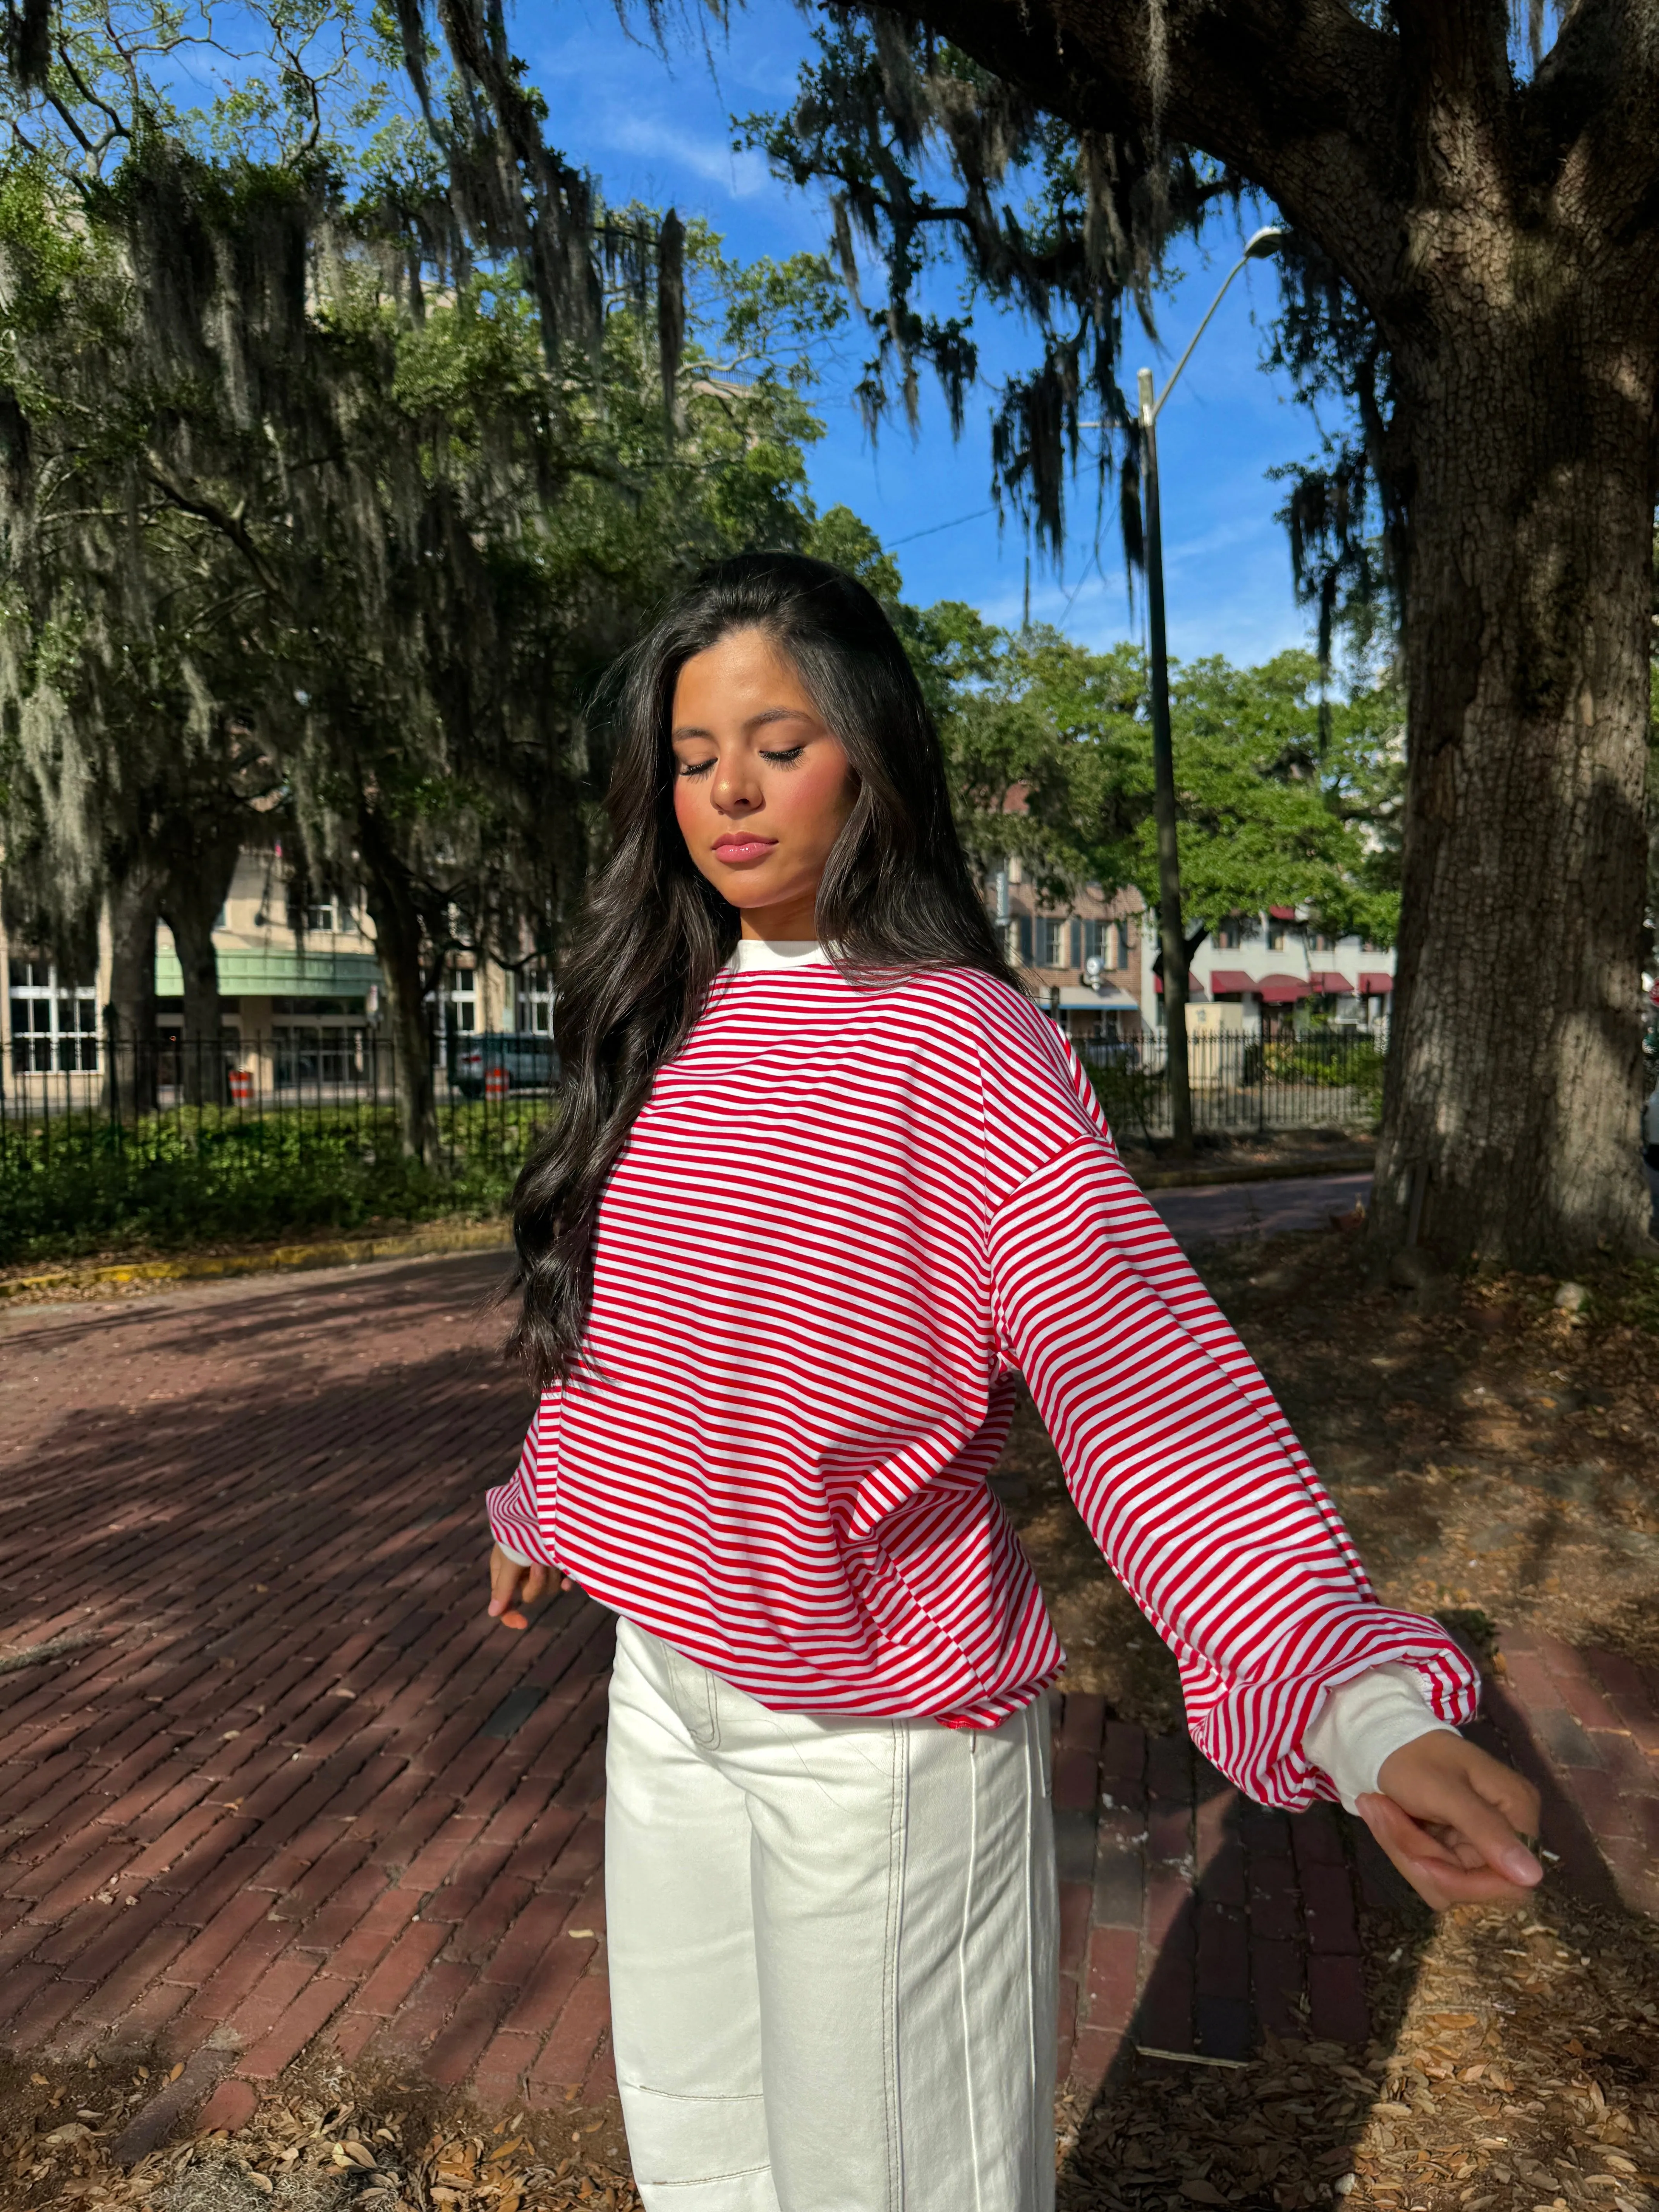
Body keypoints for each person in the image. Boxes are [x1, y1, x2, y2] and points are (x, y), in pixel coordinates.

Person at [484, 556, 1542, 2212]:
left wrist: (1345, 1691)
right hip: (665, 1695)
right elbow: (650, 1332)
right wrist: (550, 1490)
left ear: (874, 762)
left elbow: (1133, 1376)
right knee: (701, 2157)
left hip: (877, 1735)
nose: (732, 791)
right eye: (694, 756)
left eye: (780, 740)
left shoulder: (960, 1040)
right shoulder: (668, 1019)